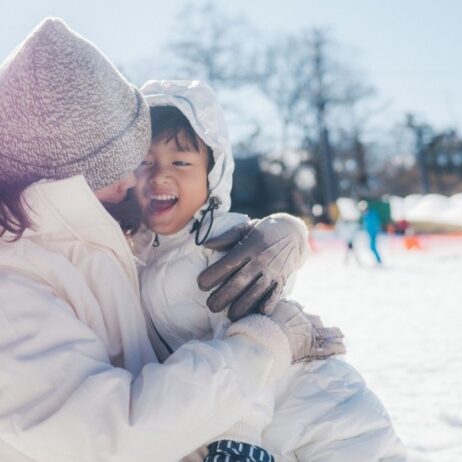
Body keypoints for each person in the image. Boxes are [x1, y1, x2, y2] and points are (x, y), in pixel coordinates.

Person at [0, 18, 343, 462]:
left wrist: (285, 230)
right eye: (120, 163)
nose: (135, 179)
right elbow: (109, 434)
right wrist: (261, 347)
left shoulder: (90, 228)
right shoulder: (15, 286)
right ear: (61, 168)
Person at [133, 79, 407, 461]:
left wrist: (239, 439)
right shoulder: (142, 252)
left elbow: (251, 342)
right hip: (278, 426)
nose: (160, 174)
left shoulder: (224, 243)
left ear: (212, 175)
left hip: (320, 412)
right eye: (145, 161)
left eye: (181, 162)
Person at [360, 200, 383, 265]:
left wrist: (375, 231)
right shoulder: (365, 216)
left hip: (373, 233)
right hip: (370, 234)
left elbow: (376, 224)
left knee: (372, 247)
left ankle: (378, 260)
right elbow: (365, 225)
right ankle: (378, 260)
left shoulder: (372, 214)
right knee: (371, 247)